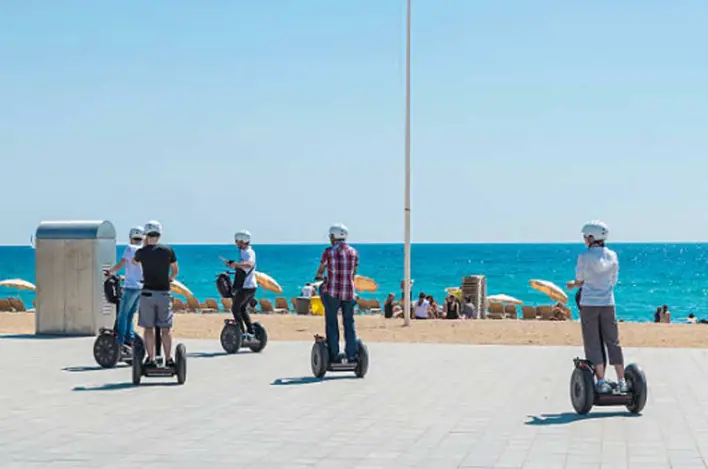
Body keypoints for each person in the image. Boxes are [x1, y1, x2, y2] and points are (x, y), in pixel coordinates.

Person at [566, 220, 627, 393]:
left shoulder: (584, 257)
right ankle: (621, 380)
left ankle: (601, 381)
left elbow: (579, 280)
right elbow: (613, 281)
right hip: (608, 303)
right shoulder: (613, 256)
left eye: (586, 237)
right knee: (613, 341)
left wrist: (573, 285)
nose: (585, 240)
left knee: (593, 342)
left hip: (589, 304)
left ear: (592, 238)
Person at [132, 221, 178, 368]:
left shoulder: (142, 252)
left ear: (146, 234)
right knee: (166, 329)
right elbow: (175, 270)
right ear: (159, 234)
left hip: (147, 293)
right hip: (164, 293)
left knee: (148, 328)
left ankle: (151, 358)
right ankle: (169, 358)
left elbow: (134, 262)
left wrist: (145, 245)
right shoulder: (168, 250)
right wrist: (169, 279)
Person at [315, 223, 360, 363]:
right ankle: (351, 354)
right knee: (349, 322)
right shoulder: (353, 252)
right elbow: (353, 274)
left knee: (332, 322)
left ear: (333, 236)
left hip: (333, 293)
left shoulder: (328, 252)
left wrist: (320, 276)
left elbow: (320, 271)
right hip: (349, 293)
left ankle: (334, 354)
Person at [104, 226, 144, 353]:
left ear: (131, 237)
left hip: (130, 287)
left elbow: (121, 264)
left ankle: (120, 343)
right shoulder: (144, 250)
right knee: (130, 316)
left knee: (122, 315)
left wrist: (110, 271)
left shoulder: (130, 248)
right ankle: (130, 340)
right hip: (140, 288)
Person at [223, 230, 258, 340]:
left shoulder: (248, 252)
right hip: (251, 287)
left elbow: (249, 264)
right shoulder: (245, 251)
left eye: (237, 241)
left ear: (242, 241)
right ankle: (250, 332)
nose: (236, 243)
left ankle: (242, 333)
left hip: (246, 287)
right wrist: (233, 265)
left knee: (235, 308)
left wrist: (236, 264)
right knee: (242, 308)